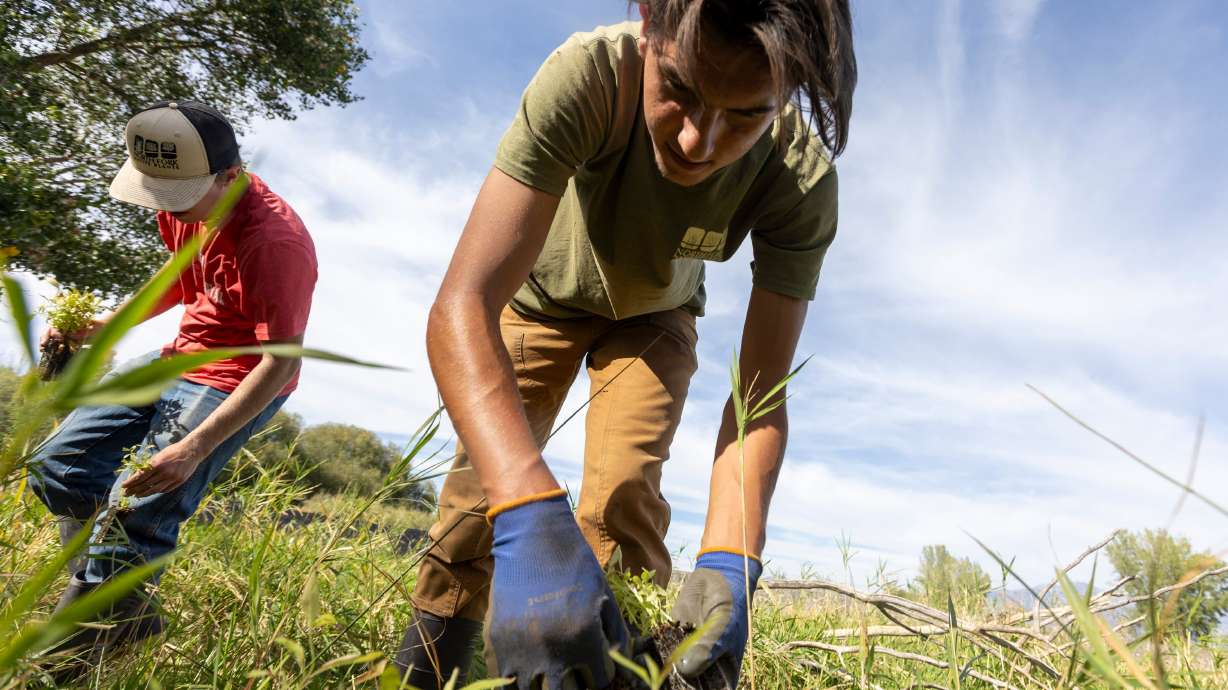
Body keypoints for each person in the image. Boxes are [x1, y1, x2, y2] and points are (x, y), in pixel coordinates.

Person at [397, 0, 856, 688]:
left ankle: (614, 666)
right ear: (648, 20)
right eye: (679, 90)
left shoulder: (800, 178)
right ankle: (424, 670)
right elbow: (463, 304)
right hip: (540, 299)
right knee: (477, 503)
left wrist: (733, 557)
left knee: (624, 498)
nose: (700, 143)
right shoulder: (589, 76)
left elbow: (758, 397)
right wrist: (523, 505)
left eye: (746, 116)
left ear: (787, 90)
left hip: (657, 319)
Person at [29, 100, 318, 658]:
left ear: (230, 176)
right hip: (177, 355)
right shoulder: (180, 196)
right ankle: (124, 611)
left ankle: (67, 656)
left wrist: (194, 446)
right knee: (57, 468)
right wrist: (107, 326)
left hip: (238, 377)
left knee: (134, 510)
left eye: (180, 199)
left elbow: (278, 361)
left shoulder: (276, 244)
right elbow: (180, 276)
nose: (168, 210)